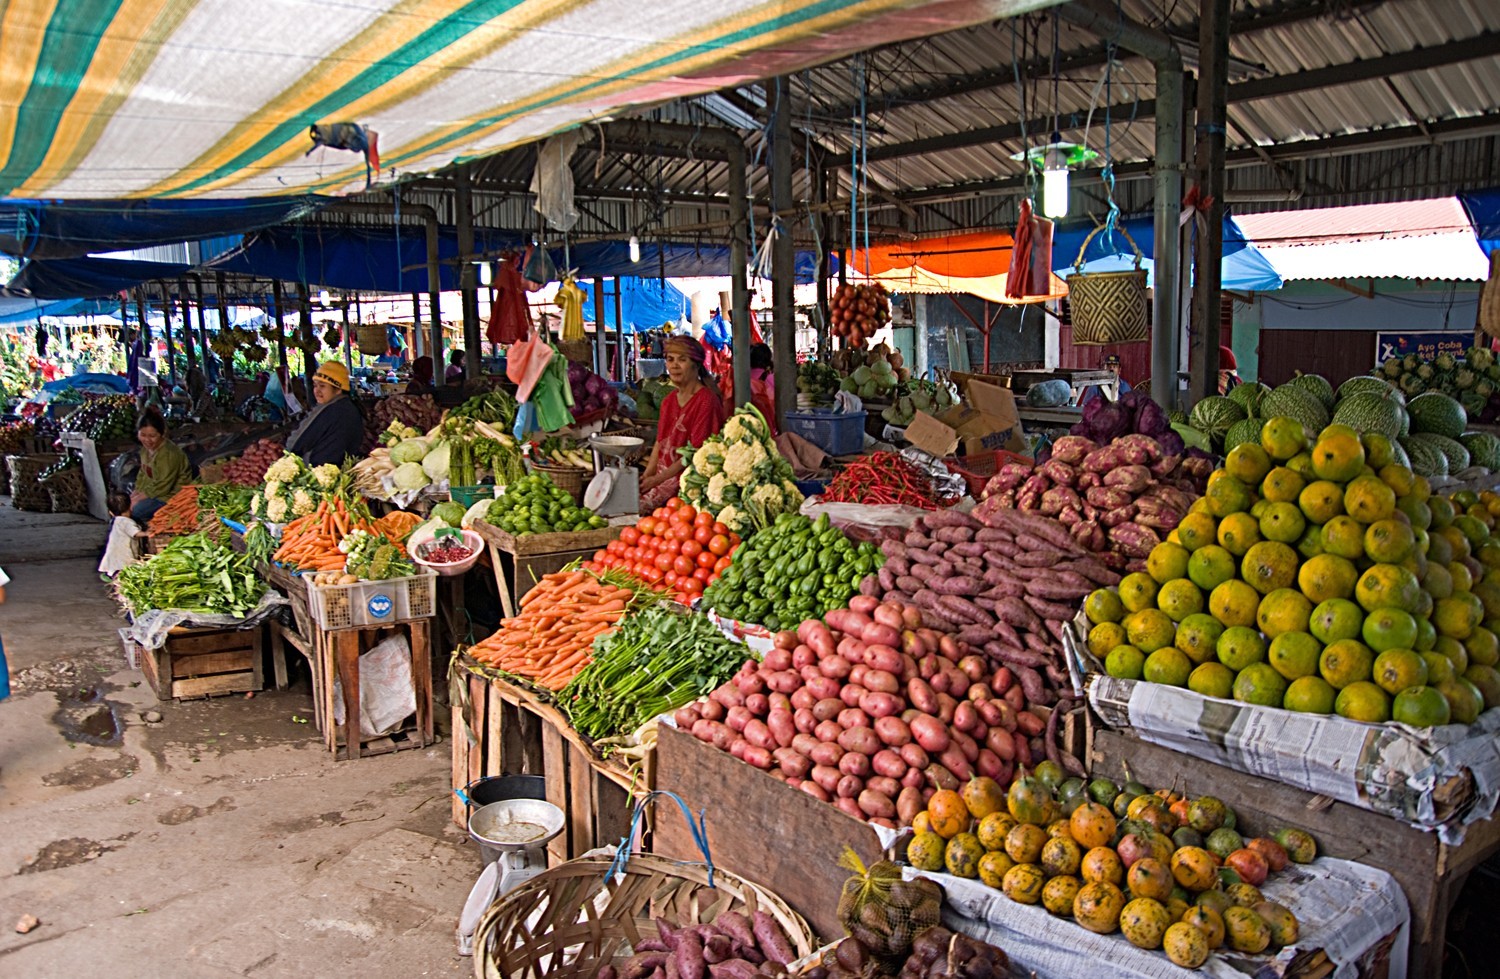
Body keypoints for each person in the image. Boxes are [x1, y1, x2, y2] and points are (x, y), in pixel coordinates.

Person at [641, 335, 727, 510]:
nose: (674, 365)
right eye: (670, 359)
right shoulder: (669, 400)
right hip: (663, 475)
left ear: (695, 365)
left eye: (682, 360)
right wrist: (647, 475)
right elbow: (660, 441)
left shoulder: (706, 400)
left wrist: (657, 480)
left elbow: (695, 453)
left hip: (688, 481)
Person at [286, 362, 365, 467]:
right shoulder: (350, 407)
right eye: (315, 386)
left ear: (338, 389)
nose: (317, 391)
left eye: (322, 386)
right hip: (340, 470)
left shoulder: (330, 410)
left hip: (321, 473)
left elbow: (295, 444)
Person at [130, 407, 191, 524]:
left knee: (136, 511)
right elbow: (143, 473)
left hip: (169, 496)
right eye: (143, 435)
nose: (147, 440)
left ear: (162, 434)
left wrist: (139, 499)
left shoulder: (169, 454)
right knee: (122, 505)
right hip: (153, 492)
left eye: (152, 436)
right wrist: (136, 493)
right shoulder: (145, 450)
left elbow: (163, 485)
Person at [99, 491, 145, 576]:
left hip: (115, 554)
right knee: (123, 572)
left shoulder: (115, 521)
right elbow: (136, 533)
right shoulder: (126, 521)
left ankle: (112, 577)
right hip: (123, 556)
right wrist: (148, 533)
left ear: (110, 513)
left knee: (116, 570)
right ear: (130, 507)